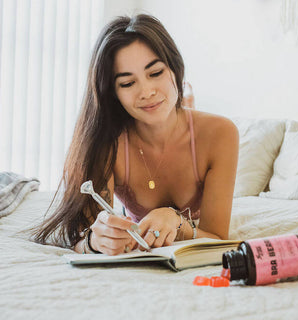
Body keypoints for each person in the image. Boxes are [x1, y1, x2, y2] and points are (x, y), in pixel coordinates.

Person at [32, 14, 239, 255]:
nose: (147, 92)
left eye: (156, 73)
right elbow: (80, 236)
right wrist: (95, 242)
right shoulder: (107, 143)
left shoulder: (220, 134)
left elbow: (217, 237)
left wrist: (175, 221)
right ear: (113, 94)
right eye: (128, 84)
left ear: (175, 68)